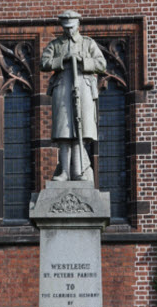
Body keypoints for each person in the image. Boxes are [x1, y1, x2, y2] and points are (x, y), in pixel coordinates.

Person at [40, 11, 107, 181]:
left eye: (72, 27)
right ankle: (64, 171)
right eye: (66, 28)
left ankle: (79, 171)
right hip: (62, 86)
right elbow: (44, 62)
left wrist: (83, 61)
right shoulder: (56, 45)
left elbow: (101, 64)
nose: (69, 31)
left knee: (80, 130)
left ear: (78, 25)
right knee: (64, 131)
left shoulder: (88, 43)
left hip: (83, 87)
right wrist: (63, 59)